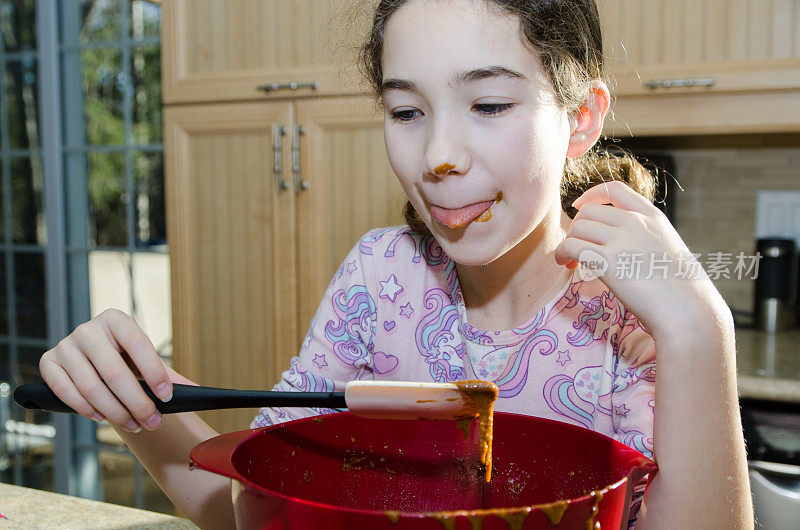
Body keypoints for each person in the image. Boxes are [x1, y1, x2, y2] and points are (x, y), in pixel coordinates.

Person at [38, 0, 753, 528]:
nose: (439, 154)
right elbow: (250, 507)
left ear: (581, 118)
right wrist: (134, 399)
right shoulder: (381, 280)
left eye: (489, 102)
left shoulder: (636, 321)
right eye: (407, 111)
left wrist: (700, 329)